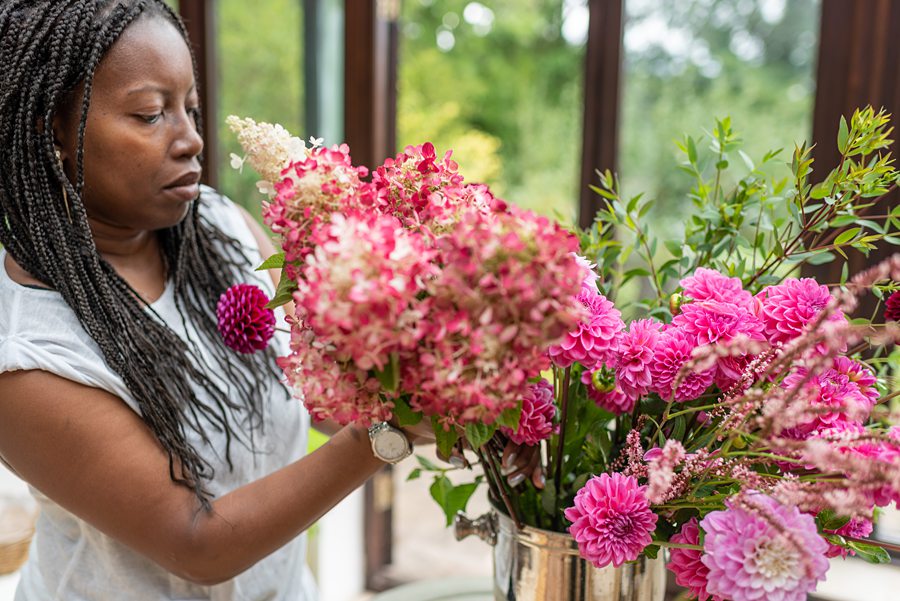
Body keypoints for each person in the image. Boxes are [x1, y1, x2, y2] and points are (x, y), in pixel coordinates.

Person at [0, 1, 446, 599]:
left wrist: (427, 361)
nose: (190, 139)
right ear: (50, 129)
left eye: (191, 108)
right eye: (150, 114)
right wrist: (387, 435)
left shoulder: (221, 227)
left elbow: (319, 395)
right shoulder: (27, 356)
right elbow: (198, 543)